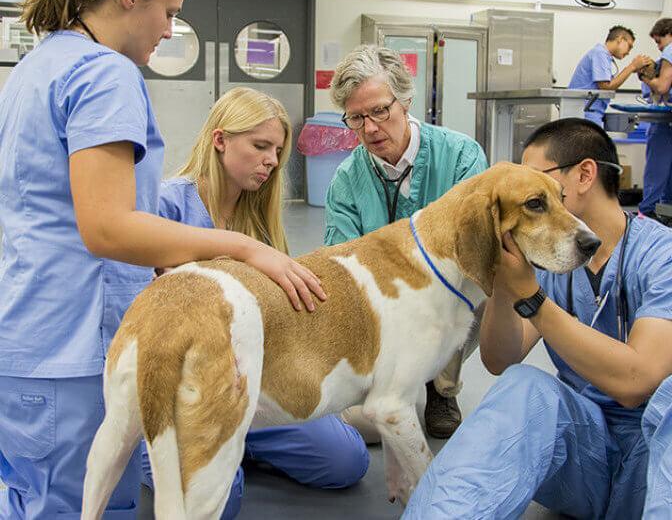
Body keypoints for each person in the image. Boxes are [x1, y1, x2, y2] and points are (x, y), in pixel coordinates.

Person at [0, 0, 324, 518]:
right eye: (169, 12)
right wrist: (244, 249)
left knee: (34, 499)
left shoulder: (36, 66)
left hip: (29, 338)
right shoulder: (105, 74)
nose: (170, 30)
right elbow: (108, 228)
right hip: (75, 346)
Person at [403, 118, 672, 519]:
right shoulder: (549, 258)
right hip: (590, 461)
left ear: (584, 174)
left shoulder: (660, 255)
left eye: (535, 179)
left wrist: (532, 298)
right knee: (524, 385)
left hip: (656, 463)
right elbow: (499, 359)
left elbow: (637, 382)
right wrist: (504, 285)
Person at [141, 87, 368, 518]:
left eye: (278, 151)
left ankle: (242, 442)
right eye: (260, 146)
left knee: (347, 461)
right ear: (221, 139)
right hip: (184, 390)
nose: (271, 160)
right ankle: (170, 451)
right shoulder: (167, 205)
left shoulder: (258, 221)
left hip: (251, 384)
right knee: (222, 501)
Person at [324, 44, 488, 440]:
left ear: (406, 100)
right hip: (382, 306)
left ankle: (441, 389)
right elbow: (339, 265)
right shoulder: (347, 180)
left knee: (476, 285)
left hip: (445, 291)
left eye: (381, 111)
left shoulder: (461, 156)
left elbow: (476, 244)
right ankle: (380, 376)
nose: (371, 129)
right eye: (356, 118)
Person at [568, 25, 652, 126]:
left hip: (589, 112)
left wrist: (632, 69)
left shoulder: (604, 56)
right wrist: (632, 66)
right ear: (620, 39)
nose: (629, 52)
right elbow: (605, 87)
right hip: (585, 113)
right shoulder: (600, 53)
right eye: (629, 46)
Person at [639, 18, 672, 220]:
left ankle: (647, 212)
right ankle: (666, 211)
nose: (660, 48)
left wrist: (644, 76)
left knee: (657, 167)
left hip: (665, 122)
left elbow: (661, 88)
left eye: (659, 41)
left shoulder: (670, 50)